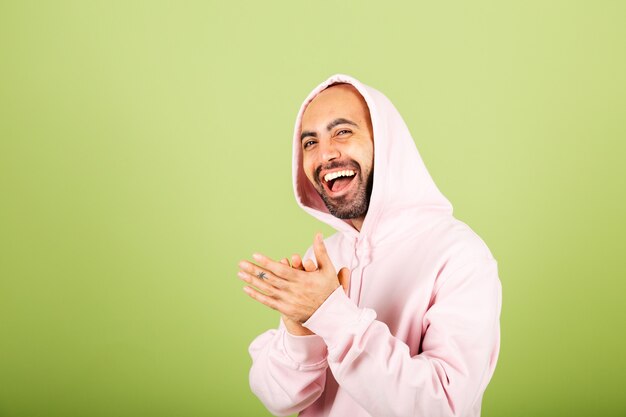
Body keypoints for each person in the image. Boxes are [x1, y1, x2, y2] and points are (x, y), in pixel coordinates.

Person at [237, 74, 502, 417]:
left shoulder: (461, 255)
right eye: (310, 142)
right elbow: (277, 397)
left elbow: (443, 405)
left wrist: (329, 313)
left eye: (343, 131)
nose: (325, 154)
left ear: (387, 143)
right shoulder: (324, 257)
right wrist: (298, 330)